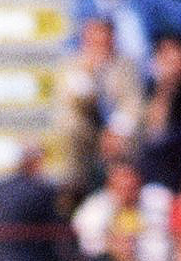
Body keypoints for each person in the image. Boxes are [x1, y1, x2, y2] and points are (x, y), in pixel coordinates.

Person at [54, 16, 143, 193]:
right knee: (70, 126)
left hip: (117, 132)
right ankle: (74, 187)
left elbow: (133, 104)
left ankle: (122, 187)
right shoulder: (72, 65)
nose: (99, 42)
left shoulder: (125, 65)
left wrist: (116, 130)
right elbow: (75, 101)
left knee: (130, 135)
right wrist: (89, 72)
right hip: (87, 131)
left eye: (104, 37)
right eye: (94, 37)